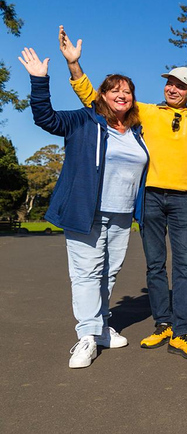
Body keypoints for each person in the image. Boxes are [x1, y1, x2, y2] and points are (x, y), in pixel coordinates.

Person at [59, 26, 187, 360]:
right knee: (155, 265)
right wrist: (74, 66)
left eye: (181, 85)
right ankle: (163, 325)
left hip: (185, 199)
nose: (173, 88)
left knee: (184, 265)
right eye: (170, 82)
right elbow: (98, 100)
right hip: (151, 197)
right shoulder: (146, 112)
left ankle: (183, 332)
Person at [22, 47, 149, 368]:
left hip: (121, 215)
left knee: (110, 271)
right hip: (85, 210)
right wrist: (39, 80)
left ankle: (101, 326)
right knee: (86, 273)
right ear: (102, 96)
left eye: (128, 91)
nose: (123, 95)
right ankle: (87, 336)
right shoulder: (84, 120)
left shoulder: (136, 131)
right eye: (115, 90)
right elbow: (45, 118)